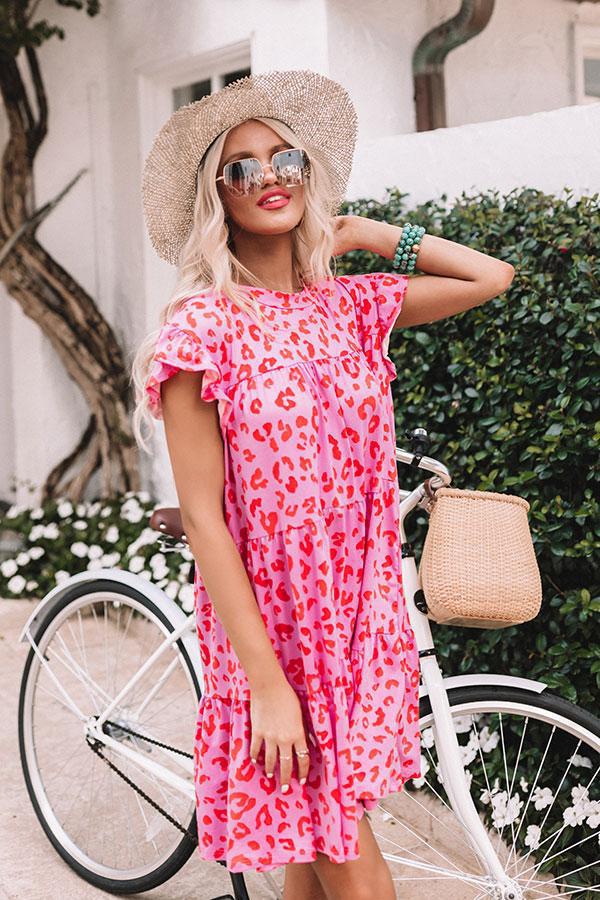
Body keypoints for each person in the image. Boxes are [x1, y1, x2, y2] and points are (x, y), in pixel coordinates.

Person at [132, 69, 514, 900]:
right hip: (273, 628)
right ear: (217, 197)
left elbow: (491, 277)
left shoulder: (346, 306)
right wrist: (267, 684)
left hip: (356, 610)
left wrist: (370, 234)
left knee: (317, 840)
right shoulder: (203, 329)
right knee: (349, 855)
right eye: (241, 167)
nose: (268, 177)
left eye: (286, 158)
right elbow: (204, 520)